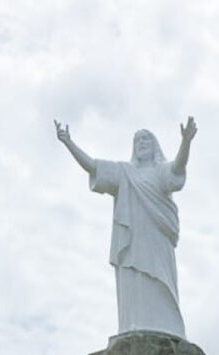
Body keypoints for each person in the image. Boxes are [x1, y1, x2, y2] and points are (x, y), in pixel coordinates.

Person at [55, 117, 198, 338]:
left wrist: (186, 142)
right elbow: (93, 166)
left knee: (160, 279)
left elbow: (178, 167)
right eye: (137, 140)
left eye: (146, 140)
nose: (141, 143)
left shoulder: (161, 171)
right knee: (134, 281)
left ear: (154, 146)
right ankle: (133, 326)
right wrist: (68, 143)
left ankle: (167, 328)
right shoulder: (124, 172)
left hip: (156, 238)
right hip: (132, 242)